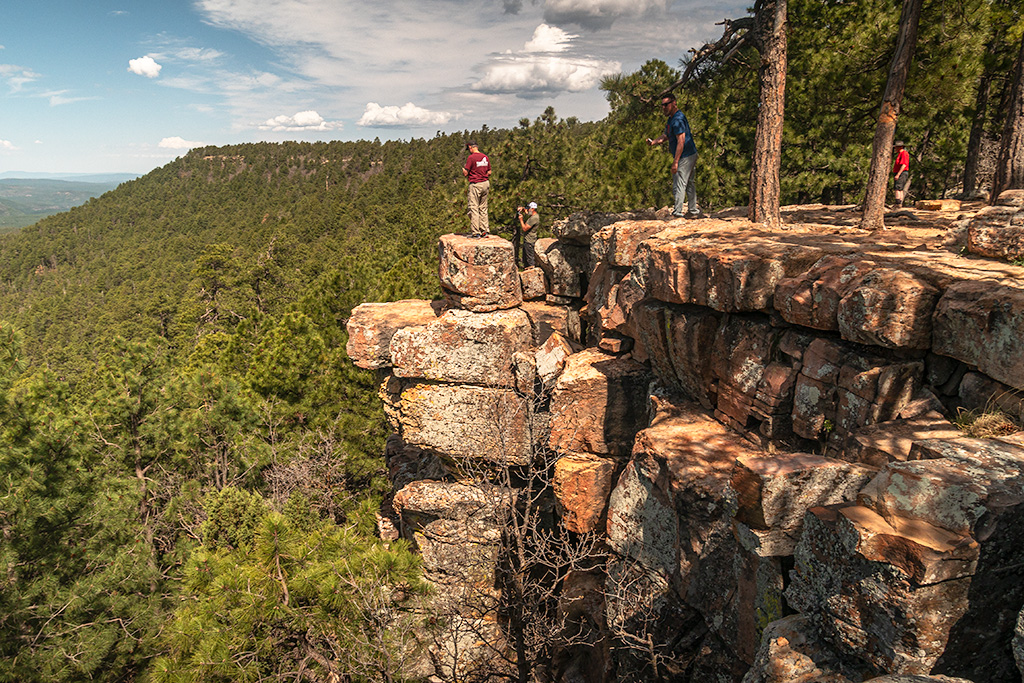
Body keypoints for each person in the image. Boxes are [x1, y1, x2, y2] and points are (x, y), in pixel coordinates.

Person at [647, 93, 700, 219]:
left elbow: (681, 141)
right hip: (690, 153)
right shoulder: (671, 119)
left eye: (666, 104)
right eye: (662, 105)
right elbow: (666, 136)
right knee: (689, 183)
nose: (664, 107)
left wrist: (676, 162)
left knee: (679, 183)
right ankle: (693, 211)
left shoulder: (678, 119)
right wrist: (654, 142)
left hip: (685, 155)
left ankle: (677, 212)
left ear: (674, 103)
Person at [463, 141, 491, 236]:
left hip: (475, 184)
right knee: (483, 207)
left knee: (474, 208)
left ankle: (476, 232)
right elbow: (489, 172)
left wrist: (464, 170)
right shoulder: (485, 157)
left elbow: (466, 173)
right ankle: (485, 230)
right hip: (485, 183)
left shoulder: (471, 158)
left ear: (470, 147)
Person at [517, 202, 540, 267]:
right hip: (528, 240)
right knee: (525, 259)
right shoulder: (534, 215)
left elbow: (524, 228)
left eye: (529, 208)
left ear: (532, 209)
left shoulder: (533, 218)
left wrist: (521, 220)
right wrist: (522, 208)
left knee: (530, 260)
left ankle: (532, 272)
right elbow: (527, 212)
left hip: (529, 241)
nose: (527, 210)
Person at [892, 140, 910, 208]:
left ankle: (898, 203)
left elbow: (904, 165)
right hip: (900, 172)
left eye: (896, 147)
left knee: (898, 188)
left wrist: (898, 174)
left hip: (901, 173)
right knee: (900, 188)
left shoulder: (904, 154)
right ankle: (899, 203)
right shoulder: (900, 154)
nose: (895, 149)